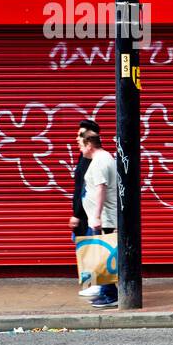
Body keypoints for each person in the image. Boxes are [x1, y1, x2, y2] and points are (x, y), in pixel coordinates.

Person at [79, 130, 119, 308]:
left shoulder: (99, 162)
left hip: (104, 218)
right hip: (104, 217)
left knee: (103, 256)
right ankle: (105, 291)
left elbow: (101, 188)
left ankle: (110, 295)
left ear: (89, 144)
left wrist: (96, 216)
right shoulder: (104, 158)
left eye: (80, 145)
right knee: (102, 255)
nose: (80, 149)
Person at [69, 119, 101, 298]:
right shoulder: (84, 157)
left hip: (87, 214)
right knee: (85, 248)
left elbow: (87, 189)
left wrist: (76, 214)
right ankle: (90, 283)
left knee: (90, 248)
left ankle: (94, 284)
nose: (76, 138)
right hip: (84, 212)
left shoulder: (92, 160)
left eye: (80, 134)